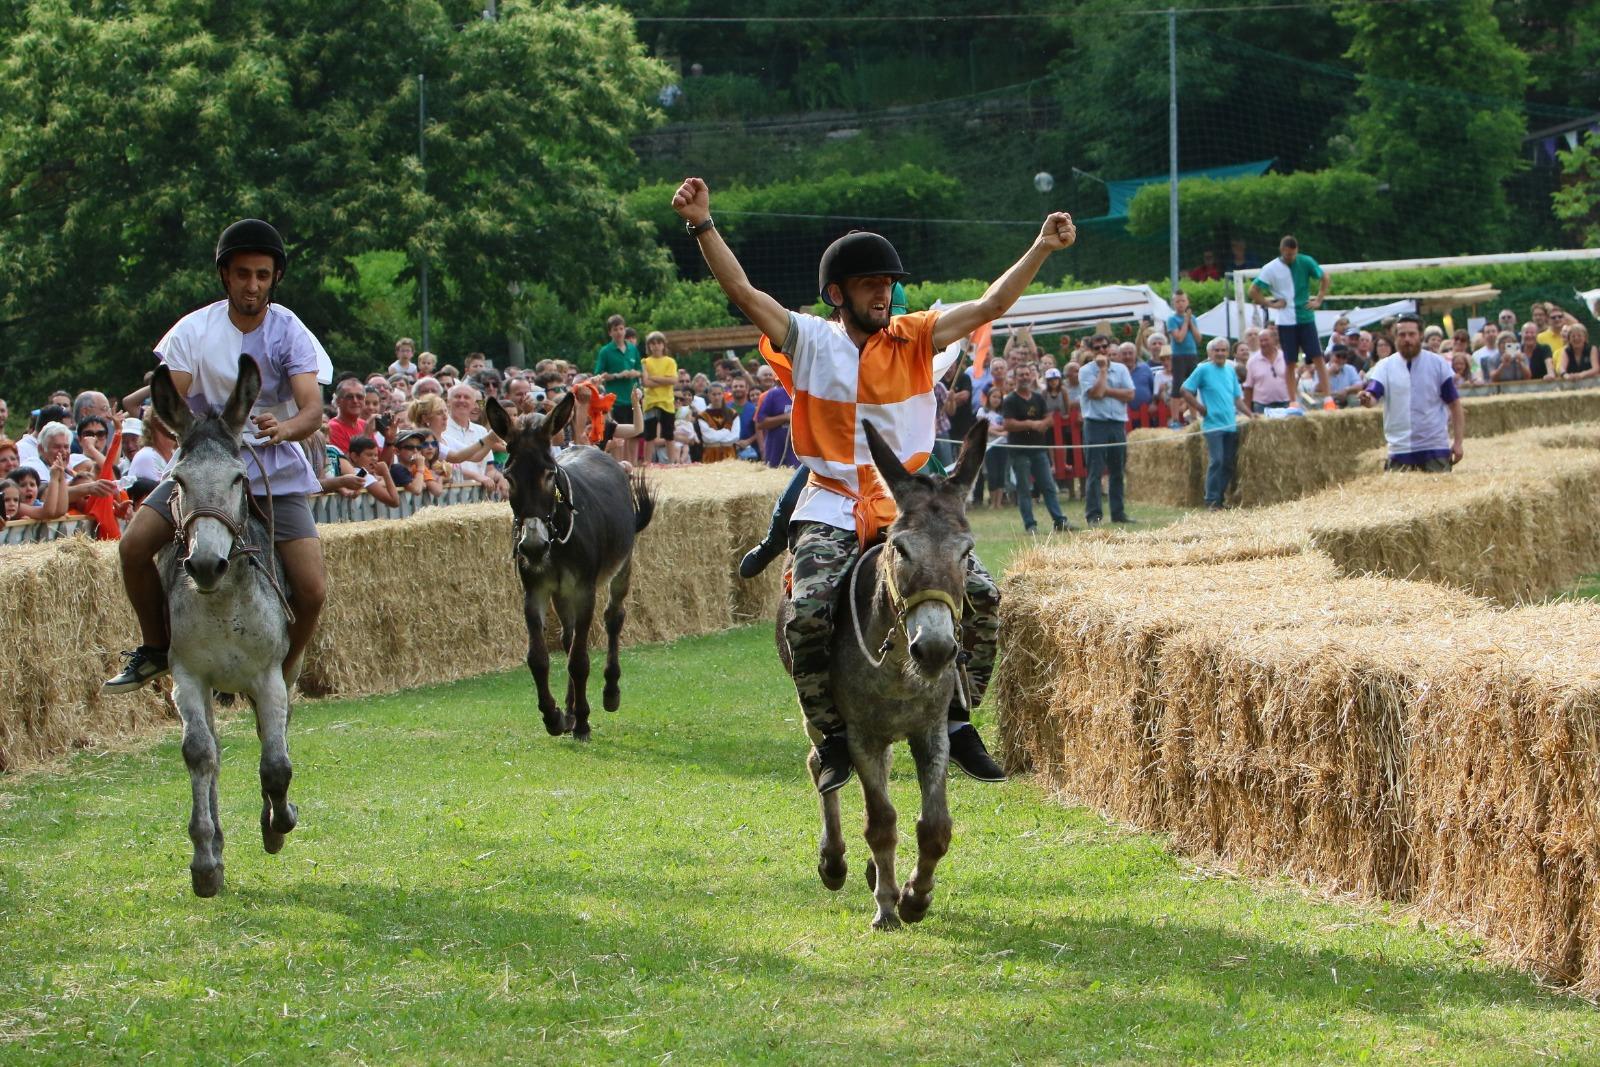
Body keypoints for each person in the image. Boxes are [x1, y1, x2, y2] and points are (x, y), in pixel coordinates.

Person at [672, 175, 1074, 792]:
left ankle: (959, 716)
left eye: (887, 283)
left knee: (986, 599)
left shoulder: (916, 336)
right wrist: (703, 223)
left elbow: (991, 307)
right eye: (870, 285)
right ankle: (832, 736)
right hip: (830, 502)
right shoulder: (806, 338)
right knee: (805, 614)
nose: (883, 293)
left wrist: (1041, 247)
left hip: (909, 505)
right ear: (838, 293)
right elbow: (742, 291)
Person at [105, 219, 328, 693]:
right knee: (133, 546)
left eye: (262, 275)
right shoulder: (193, 329)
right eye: (243, 273)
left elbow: (312, 409)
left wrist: (283, 428)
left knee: (312, 590)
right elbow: (176, 394)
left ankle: (284, 669)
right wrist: (168, 410)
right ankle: (154, 649)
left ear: (274, 279)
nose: (252, 285)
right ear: (226, 275)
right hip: (205, 463)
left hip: (272, 466)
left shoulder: (290, 332)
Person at [1359, 313, 1464, 472]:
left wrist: (1458, 442)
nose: (1407, 339)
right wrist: (1366, 398)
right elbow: (1373, 394)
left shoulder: (1438, 364)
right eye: (1402, 335)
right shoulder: (1384, 366)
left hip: (1434, 449)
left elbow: (1455, 405)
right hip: (1399, 451)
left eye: (1411, 334)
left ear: (1420, 335)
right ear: (1395, 337)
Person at [1250, 235, 1330, 398]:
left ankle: (1329, 396)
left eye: (1293, 254)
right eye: (1288, 255)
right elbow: (1253, 291)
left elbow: (1324, 277)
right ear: (1282, 251)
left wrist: (1319, 298)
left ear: (1297, 251)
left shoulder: (1306, 261)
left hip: (1306, 317)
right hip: (1286, 321)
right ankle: (1292, 400)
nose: (1291, 258)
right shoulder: (1270, 268)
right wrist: (1271, 304)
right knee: (1290, 361)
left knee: (1317, 357)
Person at [1181, 337, 1253, 509]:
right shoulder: (1203, 369)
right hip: (1212, 425)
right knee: (1217, 461)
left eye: (1223, 350)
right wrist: (1199, 407)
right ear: (1210, 353)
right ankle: (1211, 499)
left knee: (1228, 463)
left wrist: (1251, 414)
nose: (1220, 353)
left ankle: (1219, 500)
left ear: (1228, 353)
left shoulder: (1230, 371)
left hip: (1230, 424)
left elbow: (1237, 399)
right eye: (1217, 350)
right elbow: (1184, 390)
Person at [1001, 363, 1069, 534]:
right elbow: (1008, 424)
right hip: (1019, 451)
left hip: (1039, 449)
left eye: (1027, 374)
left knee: (1048, 486)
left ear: (1032, 376)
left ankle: (1059, 521)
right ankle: (1030, 525)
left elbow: (1049, 419)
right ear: (1015, 378)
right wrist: (1032, 424)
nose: (1024, 377)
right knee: (1024, 489)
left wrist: (1042, 424)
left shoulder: (1038, 398)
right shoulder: (1010, 400)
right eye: (1020, 375)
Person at [1079, 340, 1134, 525]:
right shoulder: (1086, 371)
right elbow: (1094, 393)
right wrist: (1102, 370)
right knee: (1095, 471)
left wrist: (1107, 391)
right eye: (1097, 348)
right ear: (1092, 351)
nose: (1102, 350)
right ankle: (1093, 515)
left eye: (1104, 346)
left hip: (1117, 423)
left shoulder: (1121, 369)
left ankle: (1118, 513)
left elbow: (1130, 395)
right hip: (1096, 424)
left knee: (1117, 470)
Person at [593, 314, 641, 459]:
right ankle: (618, 464)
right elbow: (599, 374)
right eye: (615, 329)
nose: (619, 332)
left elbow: (640, 370)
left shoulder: (633, 349)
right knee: (616, 435)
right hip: (615, 399)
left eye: (621, 328)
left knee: (635, 433)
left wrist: (634, 373)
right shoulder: (605, 351)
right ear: (610, 332)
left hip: (632, 398)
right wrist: (618, 375)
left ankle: (633, 465)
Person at [639, 331, 678, 463]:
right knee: (649, 435)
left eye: (658, 343)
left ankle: (672, 462)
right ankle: (647, 463)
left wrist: (653, 378)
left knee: (669, 435)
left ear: (663, 345)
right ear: (649, 346)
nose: (656, 346)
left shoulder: (670, 361)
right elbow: (645, 382)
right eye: (652, 343)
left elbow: (673, 380)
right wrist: (664, 380)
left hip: (667, 403)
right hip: (650, 403)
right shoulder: (645, 361)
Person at [1243, 327, 1292, 413]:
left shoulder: (1286, 357)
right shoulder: (1252, 362)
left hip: (1285, 403)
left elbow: (1292, 380)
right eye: (1261, 341)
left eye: (1266, 340)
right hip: (1261, 406)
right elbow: (1248, 388)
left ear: (1274, 341)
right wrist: (1247, 411)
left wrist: (1293, 401)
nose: (1263, 343)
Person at [327, 377, 367, 453]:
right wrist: (366, 436)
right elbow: (346, 462)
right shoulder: (333, 428)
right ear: (338, 401)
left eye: (359, 397)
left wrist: (389, 442)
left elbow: (378, 459)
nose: (355, 401)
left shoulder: (364, 424)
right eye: (349, 397)